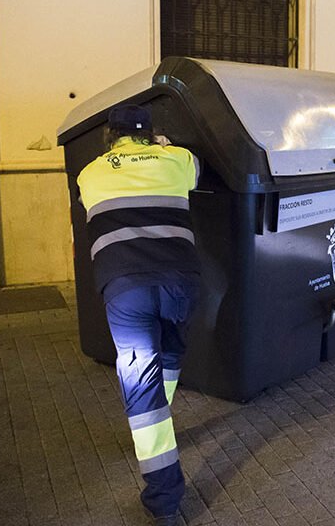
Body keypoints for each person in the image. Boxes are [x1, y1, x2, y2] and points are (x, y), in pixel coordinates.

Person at [76, 104, 201, 526]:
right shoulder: (177, 160)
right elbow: (197, 170)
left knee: (141, 385)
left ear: (111, 136)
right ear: (151, 134)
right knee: (171, 354)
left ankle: (165, 500)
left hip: (125, 284)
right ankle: (157, 423)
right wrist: (165, 149)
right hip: (179, 279)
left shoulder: (90, 173)